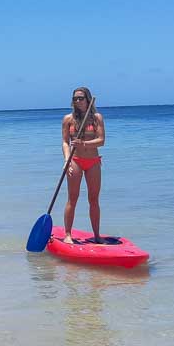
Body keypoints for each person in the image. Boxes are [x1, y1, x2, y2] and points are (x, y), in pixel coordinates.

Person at [62, 86, 105, 244]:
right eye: (75, 99)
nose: (78, 101)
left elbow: (101, 141)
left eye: (81, 98)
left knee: (94, 199)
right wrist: (67, 161)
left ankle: (97, 235)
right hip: (75, 161)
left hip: (93, 161)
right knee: (72, 198)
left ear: (88, 99)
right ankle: (67, 234)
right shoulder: (68, 119)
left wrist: (84, 143)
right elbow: (65, 142)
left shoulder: (96, 118)